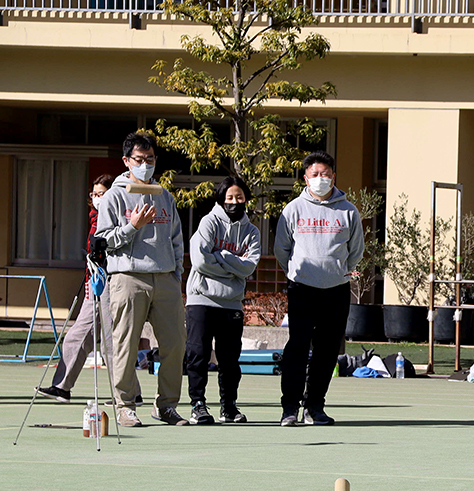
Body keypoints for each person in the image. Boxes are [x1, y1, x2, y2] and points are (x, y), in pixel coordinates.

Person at [96, 132, 188, 427]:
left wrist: (176, 275)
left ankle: (166, 406)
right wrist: (131, 227)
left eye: (150, 159)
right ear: (126, 161)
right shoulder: (113, 195)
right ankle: (124, 405)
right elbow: (102, 241)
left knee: (174, 344)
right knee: (125, 344)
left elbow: (176, 239)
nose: (146, 164)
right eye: (139, 159)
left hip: (164, 279)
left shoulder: (163, 195)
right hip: (127, 277)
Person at [274, 150, 364, 427]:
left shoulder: (348, 211)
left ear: (333, 176)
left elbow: (356, 251)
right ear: (305, 177)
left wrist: (337, 270)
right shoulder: (293, 209)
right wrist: (298, 271)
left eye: (325, 174)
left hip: (336, 290)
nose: (320, 179)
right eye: (315, 175)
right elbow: (282, 249)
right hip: (302, 288)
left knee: (327, 351)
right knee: (297, 348)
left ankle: (315, 406)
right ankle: (290, 407)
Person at [38, 174, 142, 405]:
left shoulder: (117, 217)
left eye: (101, 194)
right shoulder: (95, 218)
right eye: (94, 194)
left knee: (111, 343)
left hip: (111, 284)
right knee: (76, 337)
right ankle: (62, 386)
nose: (97, 199)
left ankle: (129, 392)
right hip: (93, 284)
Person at [184, 176, 261, 425]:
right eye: (229, 198)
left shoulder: (252, 231)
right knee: (198, 354)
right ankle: (198, 404)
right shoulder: (208, 223)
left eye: (239, 197)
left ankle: (229, 406)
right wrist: (232, 267)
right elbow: (200, 262)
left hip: (231, 303)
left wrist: (221, 255)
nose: (234, 202)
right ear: (221, 199)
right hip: (201, 299)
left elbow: (249, 267)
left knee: (230, 359)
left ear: (246, 199)